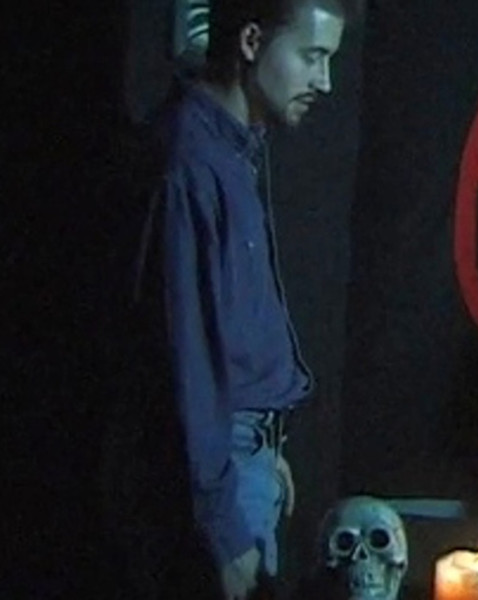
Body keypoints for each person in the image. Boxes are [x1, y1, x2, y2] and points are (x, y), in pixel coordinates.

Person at [124, 1, 351, 598]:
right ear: (252, 42)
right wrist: (224, 525)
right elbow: (187, 368)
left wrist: (263, 452)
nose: (325, 81)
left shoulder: (232, 150)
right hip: (215, 482)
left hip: (243, 462)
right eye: (312, 57)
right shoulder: (191, 165)